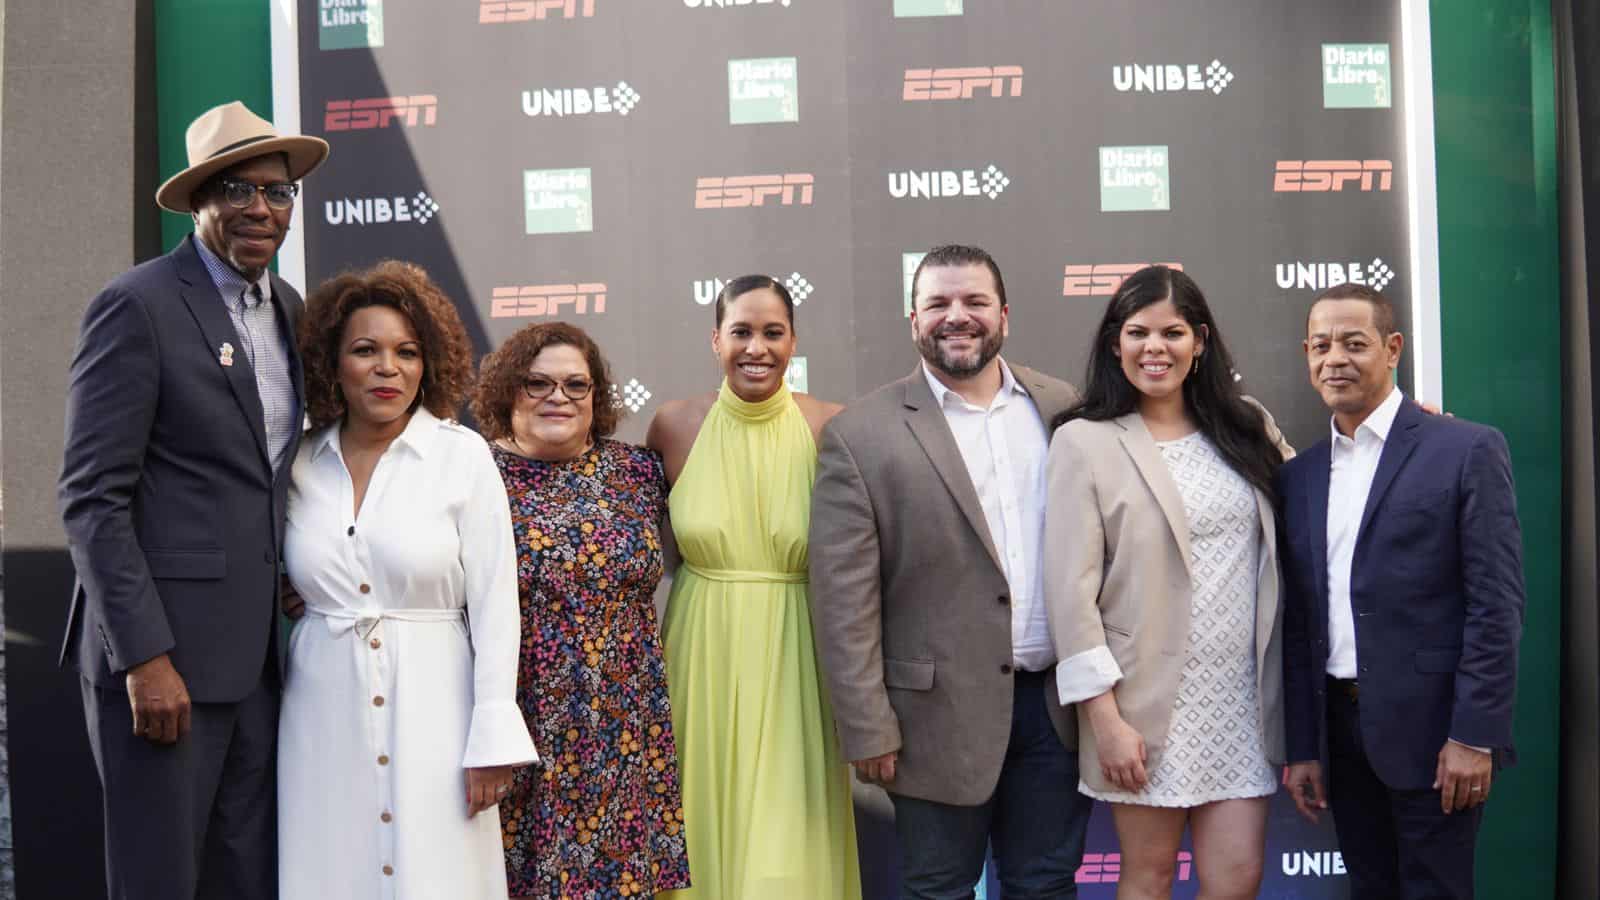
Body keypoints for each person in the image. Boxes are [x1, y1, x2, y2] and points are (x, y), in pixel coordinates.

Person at [57, 100, 327, 900]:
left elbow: (261, 475)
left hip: (258, 667)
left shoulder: (288, 310)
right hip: (162, 665)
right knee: (160, 881)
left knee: (245, 879)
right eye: (237, 189)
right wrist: (143, 657)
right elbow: (91, 498)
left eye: (277, 193)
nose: (260, 209)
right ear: (200, 200)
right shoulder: (137, 304)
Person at [809, 244, 1092, 899]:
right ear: (914, 320)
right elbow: (844, 601)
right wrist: (868, 725)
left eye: (974, 302)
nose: (956, 316)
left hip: (1055, 711)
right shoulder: (861, 435)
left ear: (1004, 315)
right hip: (929, 722)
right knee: (938, 890)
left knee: (1047, 886)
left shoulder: (1063, 407)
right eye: (938, 303)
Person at [277, 261, 537, 899]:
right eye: (365, 350)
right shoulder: (301, 462)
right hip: (322, 709)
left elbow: (497, 603)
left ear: (430, 364)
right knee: (332, 865)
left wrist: (491, 735)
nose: (387, 367)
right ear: (331, 364)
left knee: (438, 873)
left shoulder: (461, 456)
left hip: (438, 709)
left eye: (406, 352)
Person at [1044, 266, 1294, 899]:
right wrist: (1104, 720)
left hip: (1242, 703)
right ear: (1115, 344)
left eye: (1173, 332)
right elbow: (1070, 595)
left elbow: (1318, 500)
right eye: (1138, 333)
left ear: (1200, 341)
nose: (1155, 348)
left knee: (1237, 882)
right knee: (1149, 880)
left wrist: (1406, 441)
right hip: (1141, 708)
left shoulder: (1248, 426)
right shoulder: (1083, 441)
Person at [1279, 283, 1524, 899]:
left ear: (1392, 349)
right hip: (1339, 731)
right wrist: (1304, 745)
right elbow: (1302, 620)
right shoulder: (1299, 476)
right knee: (1370, 889)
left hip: (1437, 734)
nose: (1335, 358)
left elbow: (1496, 607)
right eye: (1321, 344)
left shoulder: (1465, 449)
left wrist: (1474, 736)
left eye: (1354, 343)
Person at [646, 275, 860, 900]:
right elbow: (643, 555)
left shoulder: (831, 427)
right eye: (741, 331)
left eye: (772, 333)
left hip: (798, 652)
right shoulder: (674, 426)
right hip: (699, 652)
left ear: (793, 340)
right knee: (699, 822)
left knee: (787, 841)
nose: (756, 348)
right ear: (716, 340)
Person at [470, 322, 691, 899]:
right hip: (519, 728)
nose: (558, 398)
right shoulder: (471, 475)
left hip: (623, 733)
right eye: (536, 383)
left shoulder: (639, 473)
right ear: (506, 392)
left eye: (576, 385)